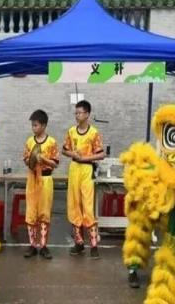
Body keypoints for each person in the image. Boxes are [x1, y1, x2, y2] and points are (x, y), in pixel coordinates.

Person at [62, 100, 105, 259]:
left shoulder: (93, 133)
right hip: (74, 168)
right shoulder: (71, 131)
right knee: (74, 204)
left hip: (87, 169)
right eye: (76, 113)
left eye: (80, 113)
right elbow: (64, 150)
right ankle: (79, 243)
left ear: (87, 114)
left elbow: (101, 154)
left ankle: (93, 245)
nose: (77, 115)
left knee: (87, 205)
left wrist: (85, 157)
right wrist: (72, 154)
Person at [22, 110, 59, 260]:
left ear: (43, 126)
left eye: (36, 125)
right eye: (32, 125)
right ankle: (32, 245)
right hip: (32, 178)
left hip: (45, 179)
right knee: (31, 212)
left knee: (44, 212)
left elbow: (55, 163)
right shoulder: (29, 142)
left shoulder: (52, 142)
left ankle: (43, 246)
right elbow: (26, 159)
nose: (33, 128)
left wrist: (43, 159)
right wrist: (31, 160)